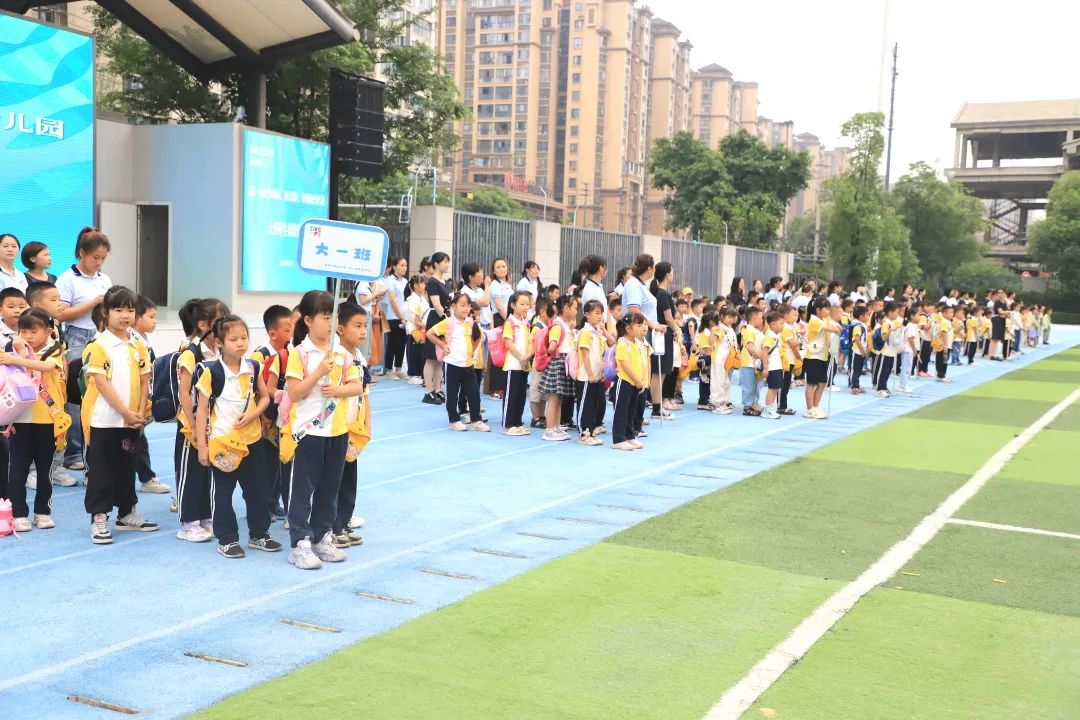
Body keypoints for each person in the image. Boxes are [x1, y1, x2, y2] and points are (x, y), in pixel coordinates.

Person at [282, 290, 363, 570]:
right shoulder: (299, 353)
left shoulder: (342, 353)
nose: (330, 323)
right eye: (325, 317)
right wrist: (317, 373)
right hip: (309, 432)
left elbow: (356, 386)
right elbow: (294, 393)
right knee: (303, 490)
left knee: (329, 489)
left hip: (337, 431)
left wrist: (337, 389)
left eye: (333, 317)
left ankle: (321, 536)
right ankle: (299, 543)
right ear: (308, 320)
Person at [194, 315, 281, 559]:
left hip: (252, 442)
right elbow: (201, 410)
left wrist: (254, 414)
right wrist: (202, 446)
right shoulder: (211, 371)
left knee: (258, 490)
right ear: (220, 342)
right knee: (222, 493)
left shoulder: (253, 367)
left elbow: (264, 397)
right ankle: (227, 538)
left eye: (244, 337)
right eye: (234, 339)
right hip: (223, 443)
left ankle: (259, 534)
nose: (241, 343)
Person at [81, 286, 158, 544]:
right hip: (103, 420)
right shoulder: (99, 345)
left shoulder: (138, 344)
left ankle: (126, 513)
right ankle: (99, 517)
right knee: (101, 470)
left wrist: (138, 413)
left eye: (130, 309)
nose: (125, 315)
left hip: (131, 421)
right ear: (105, 313)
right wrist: (125, 411)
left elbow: (146, 380)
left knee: (126, 468)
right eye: (118, 309)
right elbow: (101, 384)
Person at [1, 308, 67, 532]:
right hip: (19, 419)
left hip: (47, 420)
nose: (28, 336)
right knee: (17, 469)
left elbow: (47, 367)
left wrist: (14, 358)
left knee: (44, 469)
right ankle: (18, 512)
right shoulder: (13, 349)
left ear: (49, 330)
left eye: (34, 330)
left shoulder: (55, 350)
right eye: (23, 330)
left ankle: (43, 511)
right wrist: (14, 352)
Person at [57, 227, 113, 471]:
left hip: (100, 336)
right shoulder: (67, 279)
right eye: (95, 257)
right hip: (77, 338)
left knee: (100, 393)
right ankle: (72, 454)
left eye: (103, 258)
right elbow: (60, 313)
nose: (99, 262)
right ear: (82, 253)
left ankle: (95, 450)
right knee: (76, 397)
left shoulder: (104, 279)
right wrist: (93, 303)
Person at [175, 297, 229, 543]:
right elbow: (184, 392)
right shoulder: (191, 353)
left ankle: (206, 516)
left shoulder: (219, 354)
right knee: (190, 472)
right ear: (204, 325)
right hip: (191, 425)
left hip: (212, 423)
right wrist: (193, 422)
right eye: (221, 321)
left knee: (208, 469)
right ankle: (188, 521)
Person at [331, 301, 372, 549]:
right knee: (333, 480)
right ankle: (332, 527)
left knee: (349, 479)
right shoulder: (337, 356)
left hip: (354, 427)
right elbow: (335, 391)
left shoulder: (359, 356)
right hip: (337, 427)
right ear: (340, 328)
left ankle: (344, 521)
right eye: (357, 326)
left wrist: (368, 422)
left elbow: (364, 393)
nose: (362, 331)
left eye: (365, 326)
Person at [250, 304, 294, 520]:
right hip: (265, 421)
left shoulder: (291, 354)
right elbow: (253, 387)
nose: (291, 333)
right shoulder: (261, 355)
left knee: (280, 462)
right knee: (266, 465)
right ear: (272, 333)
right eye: (287, 329)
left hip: (283, 420)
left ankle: (273, 500)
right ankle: (265, 503)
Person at [427, 293, 490, 433]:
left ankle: (476, 420)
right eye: (462, 305)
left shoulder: (470, 322)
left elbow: (478, 336)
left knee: (474, 393)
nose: (466, 308)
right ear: (453, 307)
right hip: (452, 363)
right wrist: (442, 345)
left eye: (468, 305)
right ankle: (454, 420)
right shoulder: (448, 322)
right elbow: (430, 333)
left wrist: (472, 350)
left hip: (468, 364)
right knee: (452, 393)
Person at [131, 294, 169, 494]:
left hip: (141, 398)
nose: (155, 321)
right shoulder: (131, 341)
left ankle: (146, 476)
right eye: (151, 317)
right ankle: (146, 477)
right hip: (131, 399)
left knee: (137, 439)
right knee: (134, 440)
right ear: (137, 318)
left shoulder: (143, 340)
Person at [537, 295, 577, 441]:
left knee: (559, 398)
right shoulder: (558, 325)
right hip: (558, 362)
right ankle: (549, 429)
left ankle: (556, 426)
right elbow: (551, 346)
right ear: (566, 308)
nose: (576, 311)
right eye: (574, 308)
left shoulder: (564, 325)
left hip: (563, 362)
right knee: (554, 398)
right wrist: (556, 351)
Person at [611, 314, 648, 451]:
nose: (642, 328)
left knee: (631, 410)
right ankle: (618, 439)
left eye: (642, 325)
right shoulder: (622, 343)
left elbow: (641, 362)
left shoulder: (637, 343)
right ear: (628, 328)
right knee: (622, 410)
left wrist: (642, 380)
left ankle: (629, 436)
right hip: (625, 381)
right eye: (638, 326)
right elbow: (625, 365)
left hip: (635, 383)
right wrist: (637, 380)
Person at [501, 291, 533, 436]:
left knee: (520, 395)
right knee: (511, 395)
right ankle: (508, 424)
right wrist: (521, 357)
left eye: (527, 304)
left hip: (524, 365)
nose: (525, 307)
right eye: (522, 304)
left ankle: (517, 422)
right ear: (513, 305)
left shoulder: (525, 323)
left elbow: (529, 342)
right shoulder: (510, 322)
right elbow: (509, 343)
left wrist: (528, 356)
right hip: (513, 364)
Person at [575, 299, 605, 445]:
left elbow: (600, 354)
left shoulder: (597, 333)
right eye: (597, 313)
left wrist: (601, 372)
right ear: (587, 314)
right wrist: (590, 373)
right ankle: (584, 433)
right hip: (586, 376)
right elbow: (585, 355)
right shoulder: (585, 332)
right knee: (585, 404)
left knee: (593, 404)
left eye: (601, 313)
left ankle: (591, 431)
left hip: (596, 375)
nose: (600, 316)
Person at [804, 296, 839, 418]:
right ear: (818, 310)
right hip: (813, 356)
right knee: (811, 383)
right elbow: (830, 328)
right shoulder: (814, 321)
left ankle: (815, 406)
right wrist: (835, 328)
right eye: (826, 309)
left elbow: (835, 325)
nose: (828, 312)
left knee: (822, 383)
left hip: (823, 356)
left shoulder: (823, 319)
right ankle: (809, 409)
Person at [487, 257, 514, 399]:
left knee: (506, 354)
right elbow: (499, 306)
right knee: (498, 354)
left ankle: (503, 386)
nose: (502, 269)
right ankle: (495, 389)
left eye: (504, 266)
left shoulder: (507, 285)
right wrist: (509, 320)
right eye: (498, 267)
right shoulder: (494, 285)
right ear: (493, 271)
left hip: (508, 319)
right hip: (500, 319)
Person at [379, 256, 409, 380]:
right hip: (393, 316)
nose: (404, 268)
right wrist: (400, 316)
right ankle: (389, 370)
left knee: (402, 343)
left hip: (404, 316)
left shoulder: (406, 282)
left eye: (405, 265)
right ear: (395, 266)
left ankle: (398, 368)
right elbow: (392, 300)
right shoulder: (390, 281)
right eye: (401, 265)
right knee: (392, 343)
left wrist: (405, 317)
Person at [710, 306, 738, 415]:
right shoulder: (719, 328)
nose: (732, 319)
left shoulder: (730, 329)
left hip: (728, 360)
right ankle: (718, 403)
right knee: (718, 382)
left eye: (734, 317)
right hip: (719, 359)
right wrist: (714, 331)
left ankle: (724, 401)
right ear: (722, 317)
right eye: (730, 317)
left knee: (726, 382)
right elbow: (711, 342)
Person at [739, 307, 766, 416]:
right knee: (749, 386)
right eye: (761, 318)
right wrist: (758, 356)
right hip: (748, 362)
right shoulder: (749, 330)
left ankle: (754, 403)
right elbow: (749, 347)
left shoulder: (756, 331)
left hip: (755, 363)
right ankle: (747, 407)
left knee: (756, 385)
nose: (762, 320)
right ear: (754, 318)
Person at [403, 275, 429, 387]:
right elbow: (415, 318)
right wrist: (425, 324)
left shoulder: (421, 298)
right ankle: (413, 375)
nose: (424, 285)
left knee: (421, 352)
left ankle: (420, 374)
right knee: (414, 352)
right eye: (422, 283)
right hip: (415, 329)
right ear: (415, 285)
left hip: (423, 328)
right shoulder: (413, 299)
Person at [761, 311, 786, 419]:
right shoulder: (769, 337)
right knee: (772, 388)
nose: (783, 326)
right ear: (772, 324)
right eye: (781, 323)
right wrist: (766, 367)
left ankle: (771, 408)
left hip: (777, 366)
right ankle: (768, 409)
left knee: (776, 388)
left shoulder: (776, 336)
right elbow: (765, 352)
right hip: (772, 367)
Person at [874, 302, 901, 397]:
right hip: (885, 351)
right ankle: (879, 388)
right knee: (882, 370)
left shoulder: (893, 323)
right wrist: (891, 330)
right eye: (896, 312)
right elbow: (883, 338)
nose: (898, 314)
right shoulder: (886, 323)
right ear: (890, 312)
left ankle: (884, 386)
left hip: (892, 351)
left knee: (888, 370)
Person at [778, 304, 801, 416]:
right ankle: (781, 406)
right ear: (786, 315)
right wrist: (798, 356)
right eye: (793, 314)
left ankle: (783, 405)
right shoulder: (786, 328)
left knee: (786, 383)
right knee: (783, 384)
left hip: (790, 359)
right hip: (786, 359)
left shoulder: (790, 327)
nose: (795, 316)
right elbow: (792, 343)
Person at [898, 307, 919, 394]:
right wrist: (915, 351)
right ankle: (902, 386)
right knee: (906, 368)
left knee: (906, 367)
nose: (919, 317)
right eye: (917, 315)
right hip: (907, 349)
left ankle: (903, 385)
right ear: (912, 316)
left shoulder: (911, 325)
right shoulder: (910, 326)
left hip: (908, 349)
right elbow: (911, 339)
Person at [849, 305, 869, 395]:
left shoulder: (862, 325)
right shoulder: (857, 326)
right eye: (867, 315)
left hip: (861, 351)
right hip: (857, 351)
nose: (868, 317)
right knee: (855, 369)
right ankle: (854, 386)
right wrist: (862, 351)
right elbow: (857, 339)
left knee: (859, 369)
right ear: (861, 316)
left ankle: (856, 384)